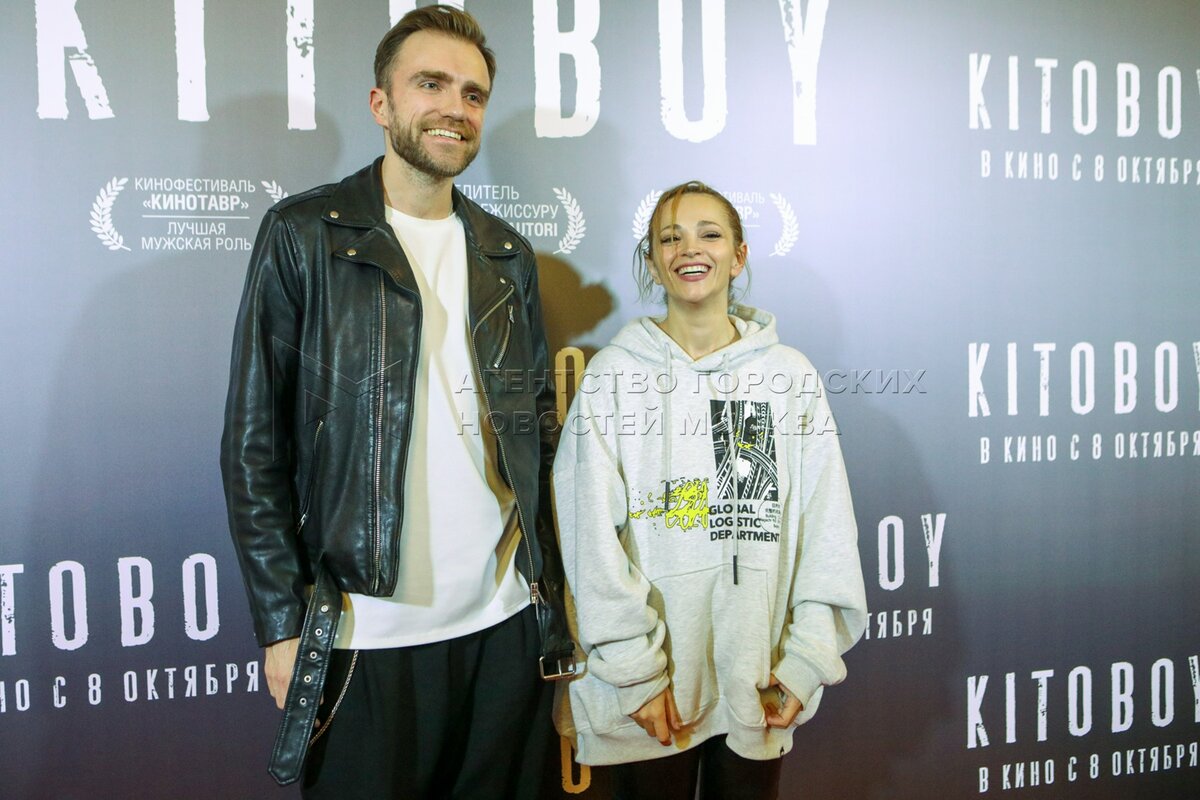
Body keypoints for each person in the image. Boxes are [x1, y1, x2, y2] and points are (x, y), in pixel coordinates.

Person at [219, 7, 574, 798]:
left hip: (503, 623)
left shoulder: (505, 253)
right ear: (382, 104)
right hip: (363, 631)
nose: (455, 107)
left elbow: (535, 435)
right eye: (431, 84)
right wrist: (281, 621)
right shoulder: (304, 234)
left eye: (473, 94)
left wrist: (550, 599)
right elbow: (253, 444)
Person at [553, 181, 867, 799]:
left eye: (710, 234)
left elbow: (825, 528)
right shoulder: (612, 378)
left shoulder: (788, 377)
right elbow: (589, 541)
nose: (690, 249)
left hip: (760, 687)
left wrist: (806, 660)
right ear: (652, 263)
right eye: (670, 238)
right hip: (651, 698)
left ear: (739, 256)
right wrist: (635, 672)